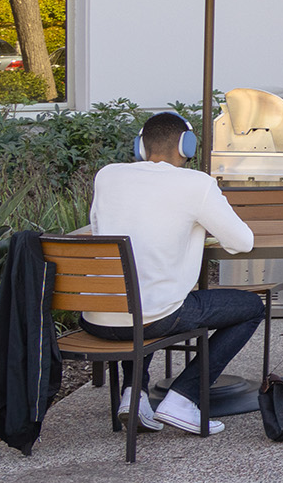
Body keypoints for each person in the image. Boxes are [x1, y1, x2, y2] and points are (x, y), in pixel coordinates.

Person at [82, 111, 265, 435]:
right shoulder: (197, 184)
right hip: (155, 317)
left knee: (140, 291)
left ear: (141, 146)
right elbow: (242, 242)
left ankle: (134, 395)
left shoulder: (107, 176)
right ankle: (183, 398)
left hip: (96, 317)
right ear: (187, 146)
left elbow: (99, 230)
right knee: (251, 307)